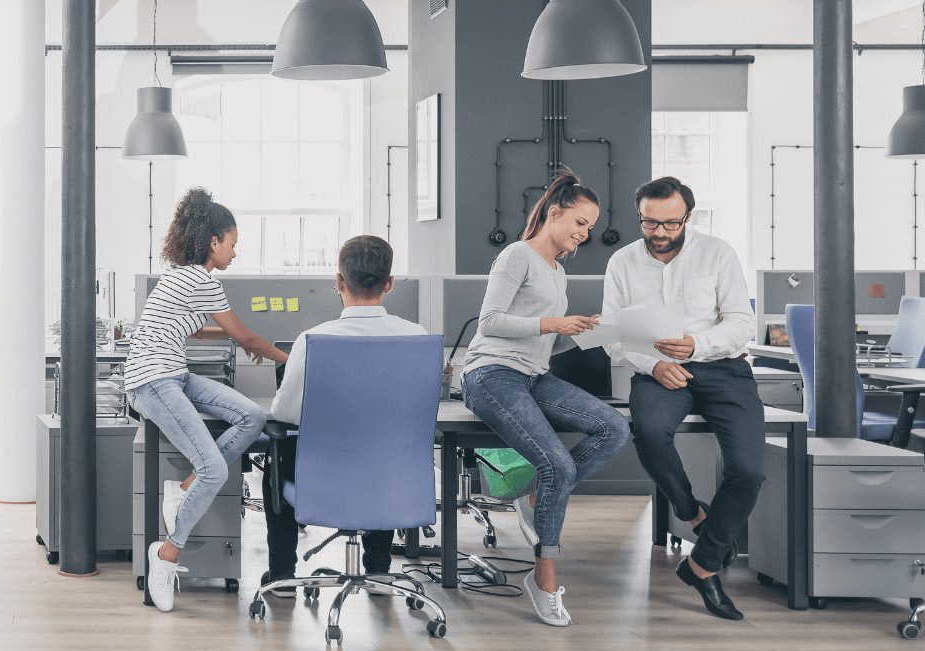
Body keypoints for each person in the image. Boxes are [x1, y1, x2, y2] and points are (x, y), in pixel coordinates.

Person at [460, 169, 631, 627]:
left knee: (615, 427)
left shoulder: (558, 271)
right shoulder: (517, 255)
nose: (585, 233)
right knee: (558, 464)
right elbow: (490, 322)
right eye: (579, 222)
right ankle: (545, 577)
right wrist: (556, 323)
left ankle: (535, 500)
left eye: (590, 226)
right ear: (554, 213)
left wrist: (583, 332)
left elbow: (545, 343)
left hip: (533, 375)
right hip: (492, 372)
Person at [603, 176, 762, 621]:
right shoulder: (623, 262)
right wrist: (652, 364)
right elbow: (614, 335)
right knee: (650, 432)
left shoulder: (718, 254)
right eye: (650, 222)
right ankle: (692, 513)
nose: (659, 232)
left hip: (722, 367)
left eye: (670, 223)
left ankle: (702, 565)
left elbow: (741, 323)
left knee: (749, 470)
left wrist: (697, 345)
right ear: (640, 216)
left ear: (687, 217)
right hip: (656, 368)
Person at [128, 187, 287, 612]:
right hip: (151, 381)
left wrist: (241, 338)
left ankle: (182, 489)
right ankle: (166, 554)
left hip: (174, 373)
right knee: (214, 468)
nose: (235, 253)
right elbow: (246, 336)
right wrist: (291, 357)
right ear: (213, 242)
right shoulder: (199, 278)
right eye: (232, 244)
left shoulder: (183, 277)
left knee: (252, 416)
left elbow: (197, 330)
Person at [264, 235, 426, 597]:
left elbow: (284, 412)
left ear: (339, 282)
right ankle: (379, 571)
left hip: (325, 487)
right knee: (383, 449)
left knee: (279, 452)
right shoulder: (416, 337)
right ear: (389, 283)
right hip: (392, 484)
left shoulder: (312, 340)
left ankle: (282, 577)